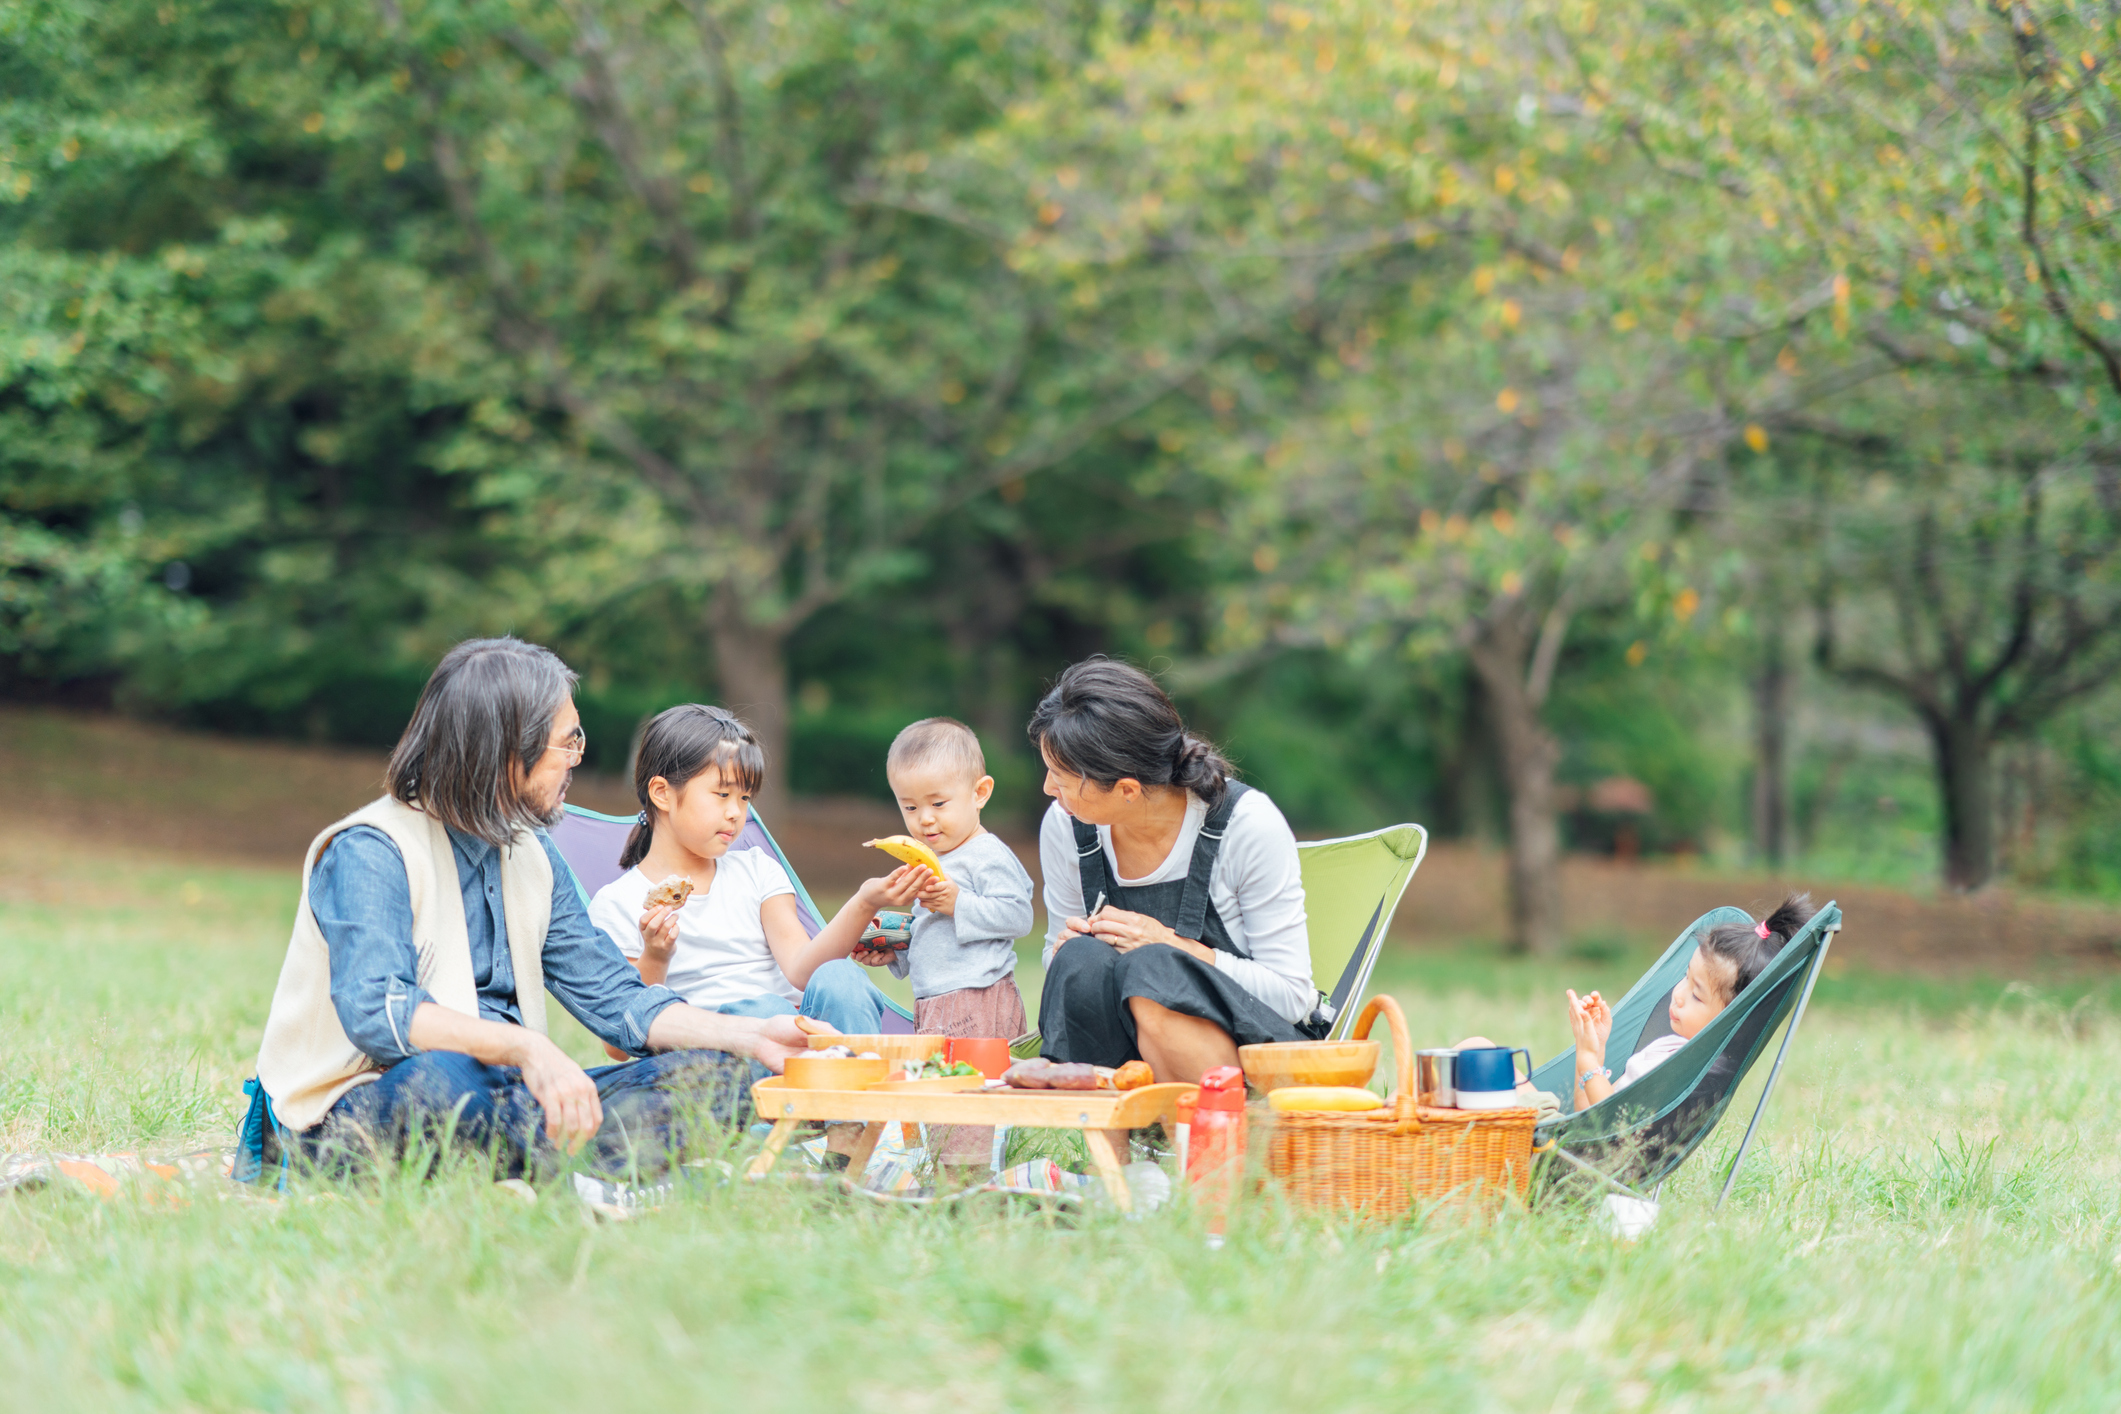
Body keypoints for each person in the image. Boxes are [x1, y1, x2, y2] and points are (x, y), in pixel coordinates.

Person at [251, 637, 817, 1183]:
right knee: (445, 1082)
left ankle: (539, 1165)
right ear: (505, 751)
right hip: (356, 1110)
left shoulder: (532, 852)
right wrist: (526, 1047)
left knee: (731, 1075)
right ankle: (578, 1165)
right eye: (566, 743)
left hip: (513, 1095)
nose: (576, 759)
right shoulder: (371, 851)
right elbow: (382, 1015)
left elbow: (617, 997)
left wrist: (748, 1035)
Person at [1031, 658, 1318, 1085]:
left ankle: (1211, 1145)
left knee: (1152, 967)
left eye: (1060, 777)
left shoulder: (1248, 825)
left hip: (1252, 1058)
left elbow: (1293, 998)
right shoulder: (1064, 824)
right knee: (1080, 959)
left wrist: (1170, 946)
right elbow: (1063, 965)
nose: (1048, 790)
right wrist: (1064, 949)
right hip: (1126, 1058)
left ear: (1127, 789)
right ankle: (1111, 1150)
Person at [588, 704, 910, 1044]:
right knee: (763, 1011)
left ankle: (852, 1085)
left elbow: (803, 970)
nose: (735, 813)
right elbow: (618, 1047)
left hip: (800, 1032)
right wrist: (655, 955)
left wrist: (864, 902)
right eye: (722, 794)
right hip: (715, 1049)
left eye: (744, 798)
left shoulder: (757, 871)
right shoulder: (618, 904)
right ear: (662, 794)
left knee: (840, 977)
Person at [852, 717, 1035, 1177]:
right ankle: (951, 1177)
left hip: (978, 998)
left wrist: (959, 902)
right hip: (934, 1003)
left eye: (938, 803)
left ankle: (965, 1183)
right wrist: (892, 949)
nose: (924, 819)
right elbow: (928, 932)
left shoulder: (985, 854)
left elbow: (1019, 916)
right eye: (910, 807)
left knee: (967, 1105)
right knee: (939, 1100)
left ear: (980, 793)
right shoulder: (926, 861)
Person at [1552, 894, 1816, 1112]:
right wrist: (1595, 1051)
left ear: (1730, 1022)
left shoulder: (1678, 1074)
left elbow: (1609, 1127)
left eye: (1697, 995)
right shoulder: (1668, 1050)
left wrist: (1588, 1059)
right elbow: (1584, 1119)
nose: (1678, 994)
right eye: (1685, 977)